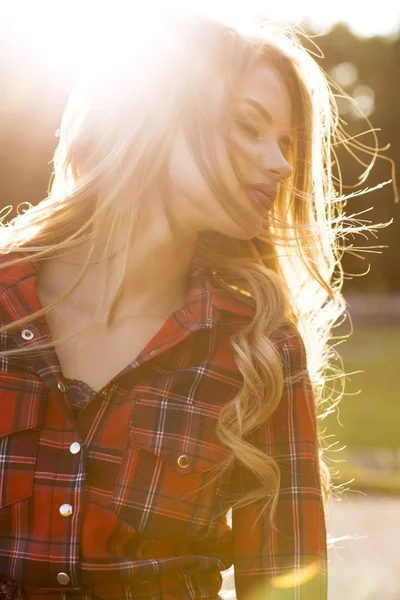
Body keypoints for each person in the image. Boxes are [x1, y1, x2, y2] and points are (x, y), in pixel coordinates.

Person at [0, 7, 378, 600]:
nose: (280, 163)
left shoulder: (262, 347)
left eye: (285, 142)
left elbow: (289, 586)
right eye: (249, 126)